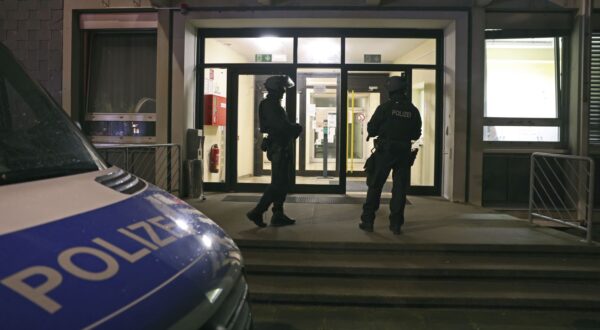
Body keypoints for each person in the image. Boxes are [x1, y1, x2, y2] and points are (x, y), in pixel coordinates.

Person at [360, 74, 422, 235]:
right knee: (400, 189)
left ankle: (368, 221)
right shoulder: (413, 110)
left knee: (375, 185)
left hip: (385, 152)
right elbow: (416, 135)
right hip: (403, 153)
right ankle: (396, 224)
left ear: (391, 90)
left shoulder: (385, 108)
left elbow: (372, 130)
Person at [247, 75, 302, 227]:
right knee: (278, 183)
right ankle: (257, 212)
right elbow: (280, 126)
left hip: (280, 146)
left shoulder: (272, 104)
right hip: (279, 147)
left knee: (282, 182)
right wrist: (296, 128)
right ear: (276, 88)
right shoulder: (271, 105)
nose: (284, 91)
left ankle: (278, 213)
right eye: (282, 88)